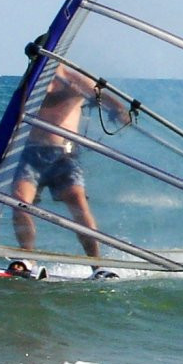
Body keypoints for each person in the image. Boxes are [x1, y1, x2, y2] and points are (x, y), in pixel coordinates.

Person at [10, 65, 128, 259]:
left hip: (63, 156)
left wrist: (119, 111)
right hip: (30, 153)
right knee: (20, 202)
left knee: (78, 204)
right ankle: (26, 259)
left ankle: (97, 264)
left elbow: (108, 100)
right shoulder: (31, 79)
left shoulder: (75, 78)